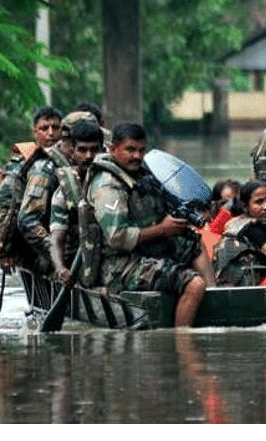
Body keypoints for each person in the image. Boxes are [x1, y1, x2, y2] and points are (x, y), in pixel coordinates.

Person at [84, 123, 214, 327]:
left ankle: (215, 297)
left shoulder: (140, 174)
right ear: (112, 149)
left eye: (141, 150)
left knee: (193, 244)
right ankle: (183, 344)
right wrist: (163, 229)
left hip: (145, 250)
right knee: (194, 284)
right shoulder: (108, 185)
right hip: (119, 266)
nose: (137, 156)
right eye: (130, 150)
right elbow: (117, 237)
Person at [0, 106, 63, 273]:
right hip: (33, 238)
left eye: (56, 128)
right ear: (35, 132)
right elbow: (6, 207)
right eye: (44, 128)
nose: (50, 133)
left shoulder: (71, 156)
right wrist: (6, 250)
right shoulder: (20, 166)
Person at [48, 118, 104, 287]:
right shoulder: (64, 193)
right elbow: (56, 240)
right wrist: (60, 269)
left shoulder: (116, 183)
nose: (89, 156)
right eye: (82, 150)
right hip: (80, 262)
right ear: (72, 152)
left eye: (95, 150)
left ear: (103, 150)